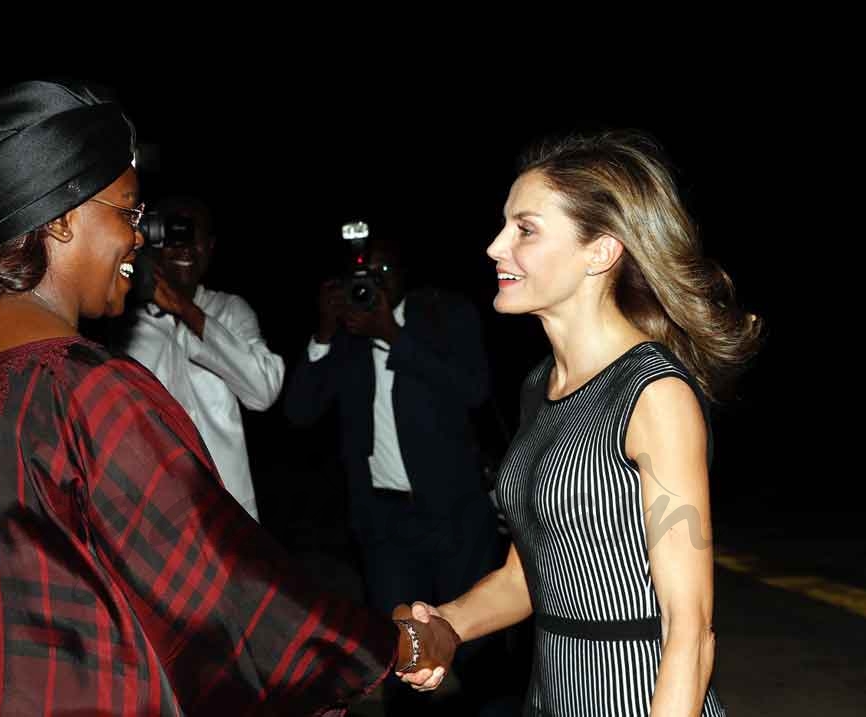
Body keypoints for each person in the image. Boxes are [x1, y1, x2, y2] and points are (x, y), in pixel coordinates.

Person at [0, 79, 459, 716]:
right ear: (62, 220)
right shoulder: (83, 389)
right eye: (126, 212)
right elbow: (226, 599)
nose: (141, 238)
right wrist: (397, 645)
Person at [399, 130, 763, 716]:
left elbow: (689, 634)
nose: (495, 246)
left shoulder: (652, 394)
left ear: (600, 251)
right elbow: (528, 577)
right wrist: (447, 625)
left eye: (526, 228)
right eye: (504, 225)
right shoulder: (537, 386)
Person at [284, 236, 508, 715]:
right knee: (405, 653)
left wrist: (393, 335)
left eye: (384, 273)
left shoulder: (443, 315)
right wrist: (324, 334)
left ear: (404, 274)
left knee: (475, 648)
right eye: (364, 277)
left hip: (453, 517)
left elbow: (473, 388)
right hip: (385, 523)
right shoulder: (344, 337)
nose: (374, 285)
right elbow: (300, 411)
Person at [118, 195, 283, 521]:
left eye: (194, 237)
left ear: (209, 248)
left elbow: (263, 392)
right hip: (155, 510)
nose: (184, 247)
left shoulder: (230, 311)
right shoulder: (124, 319)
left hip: (228, 507)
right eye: (175, 234)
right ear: (153, 239)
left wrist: (187, 311)